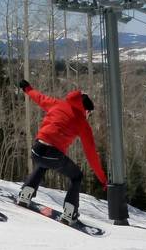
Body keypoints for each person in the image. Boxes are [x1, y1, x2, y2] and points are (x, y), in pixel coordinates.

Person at [16, 79, 107, 225]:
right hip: (54, 155)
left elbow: (39, 97)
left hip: (36, 149)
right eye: (89, 113)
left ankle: (26, 194)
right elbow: (91, 155)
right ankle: (70, 212)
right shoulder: (83, 123)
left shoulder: (57, 104)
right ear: (86, 110)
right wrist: (103, 180)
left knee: (43, 164)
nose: (89, 116)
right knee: (77, 176)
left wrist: (27, 88)